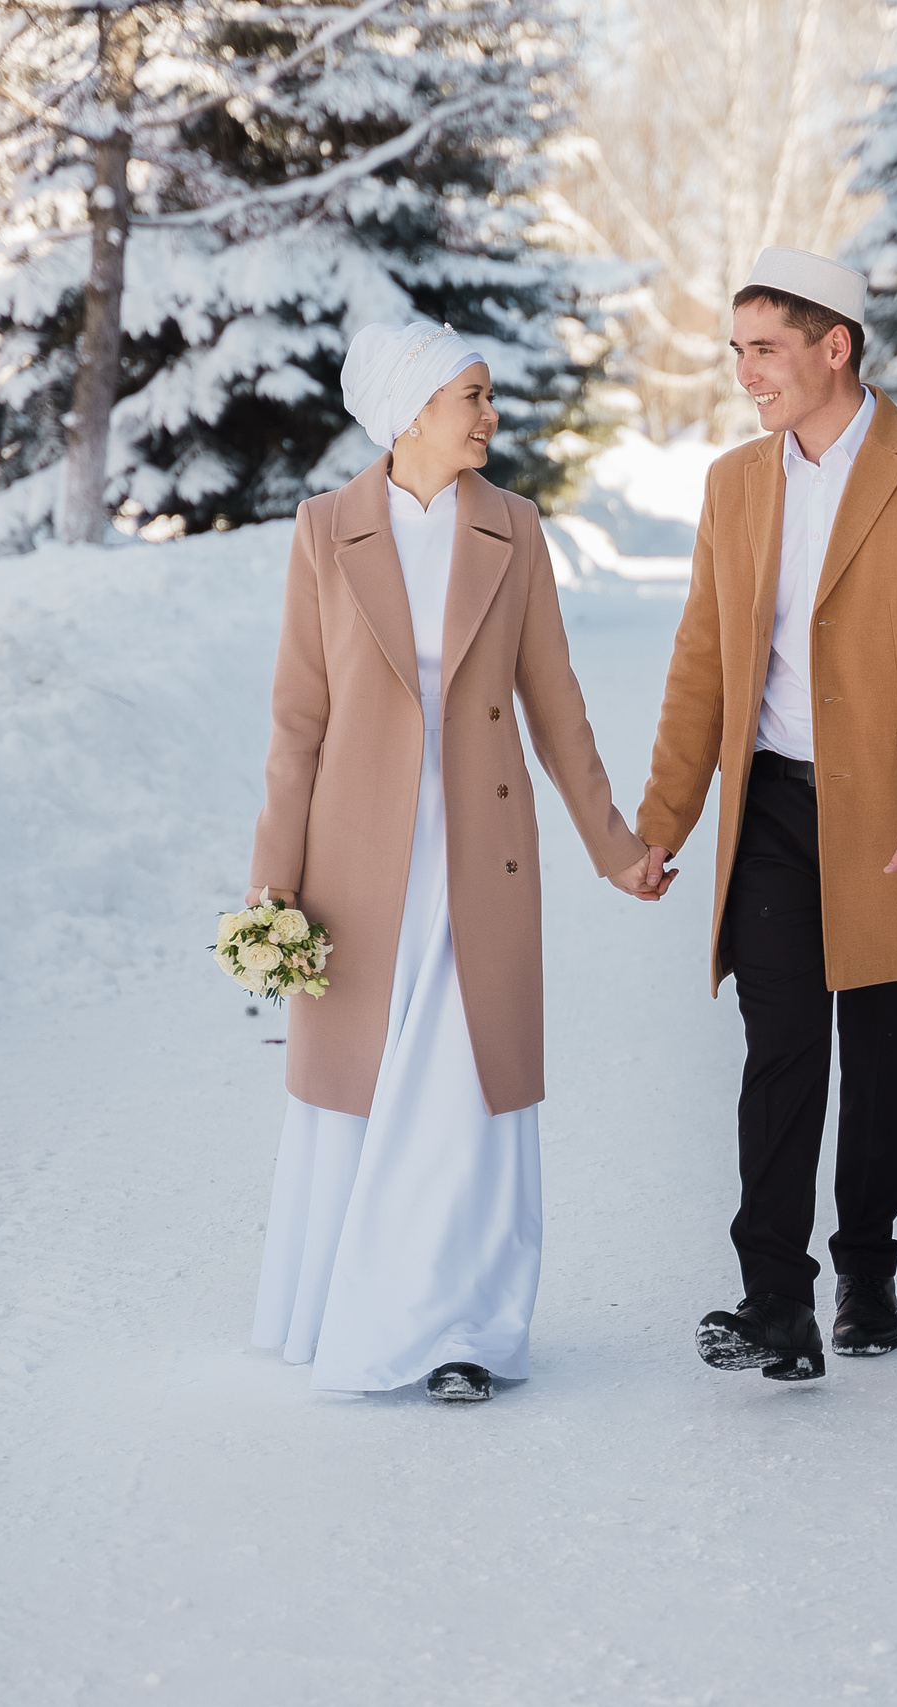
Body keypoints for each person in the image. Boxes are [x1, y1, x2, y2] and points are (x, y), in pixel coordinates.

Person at [245, 321, 661, 1404]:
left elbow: (555, 702)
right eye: (471, 396)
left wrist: (611, 845)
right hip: (357, 862)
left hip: (480, 855)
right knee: (370, 1083)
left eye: (487, 395)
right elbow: (296, 724)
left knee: (467, 1084)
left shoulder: (514, 530)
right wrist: (271, 889)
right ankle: (350, 1308)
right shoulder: (324, 531)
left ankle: (464, 1327)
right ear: (411, 409)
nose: (488, 415)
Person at [628, 247, 897, 1382]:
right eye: (737, 351)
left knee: (884, 1053)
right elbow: (702, 659)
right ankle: (772, 1302)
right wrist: (663, 818)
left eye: (765, 348)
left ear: (833, 344)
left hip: (895, 815)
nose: (746, 372)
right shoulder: (737, 484)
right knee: (780, 1050)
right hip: (775, 811)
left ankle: (867, 1269)